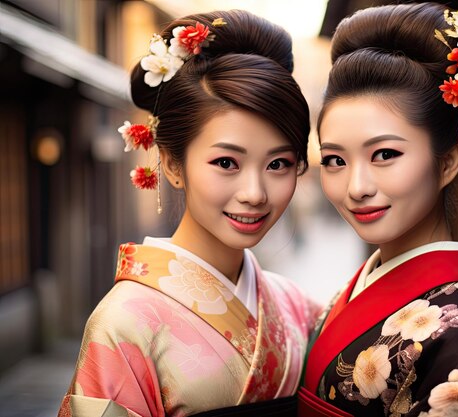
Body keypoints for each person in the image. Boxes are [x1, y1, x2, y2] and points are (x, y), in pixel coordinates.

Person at [59, 9, 319, 417]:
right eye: (226, 163)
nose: (254, 194)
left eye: (278, 164)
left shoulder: (297, 306)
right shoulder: (122, 323)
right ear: (173, 164)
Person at [298, 3, 458, 417]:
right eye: (336, 160)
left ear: (446, 162)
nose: (356, 187)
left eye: (385, 154)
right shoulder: (363, 284)